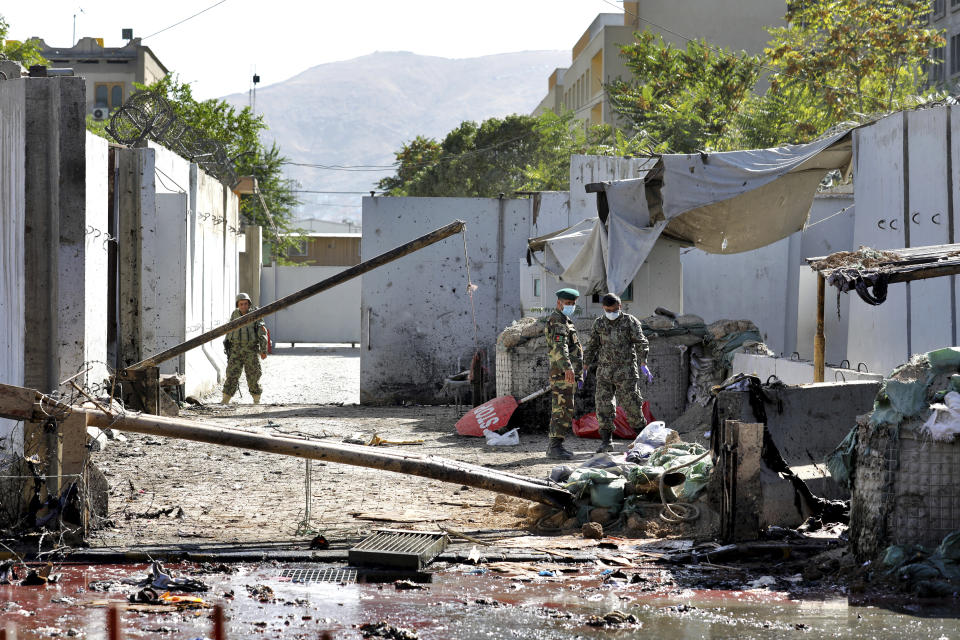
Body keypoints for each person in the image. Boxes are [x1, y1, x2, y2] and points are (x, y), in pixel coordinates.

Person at [583, 293, 652, 453]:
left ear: (619, 307)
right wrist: (585, 366)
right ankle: (606, 442)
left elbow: (641, 342)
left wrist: (643, 362)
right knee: (603, 406)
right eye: (607, 310)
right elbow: (592, 345)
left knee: (632, 406)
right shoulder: (599, 323)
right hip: (604, 373)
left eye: (613, 309)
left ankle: (642, 443)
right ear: (603, 308)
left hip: (625, 372)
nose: (611, 312)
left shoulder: (629, 321)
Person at [544, 288, 584, 460]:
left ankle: (557, 445)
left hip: (566, 374)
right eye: (568, 303)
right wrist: (568, 368)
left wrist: (579, 372)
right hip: (562, 374)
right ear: (559, 303)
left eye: (573, 304)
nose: (571, 306)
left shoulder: (565, 320)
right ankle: (554, 447)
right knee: (561, 410)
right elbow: (560, 348)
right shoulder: (557, 321)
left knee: (565, 409)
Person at [222, 292, 268, 404]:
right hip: (236, 350)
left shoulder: (255, 314)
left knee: (253, 376)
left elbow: (262, 332)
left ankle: (256, 399)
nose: (243, 306)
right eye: (241, 304)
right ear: (237, 305)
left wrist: (263, 350)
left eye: (245, 304)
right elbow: (229, 330)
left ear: (249, 304)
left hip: (250, 350)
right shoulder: (235, 314)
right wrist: (227, 344)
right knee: (231, 375)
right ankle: (225, 400)